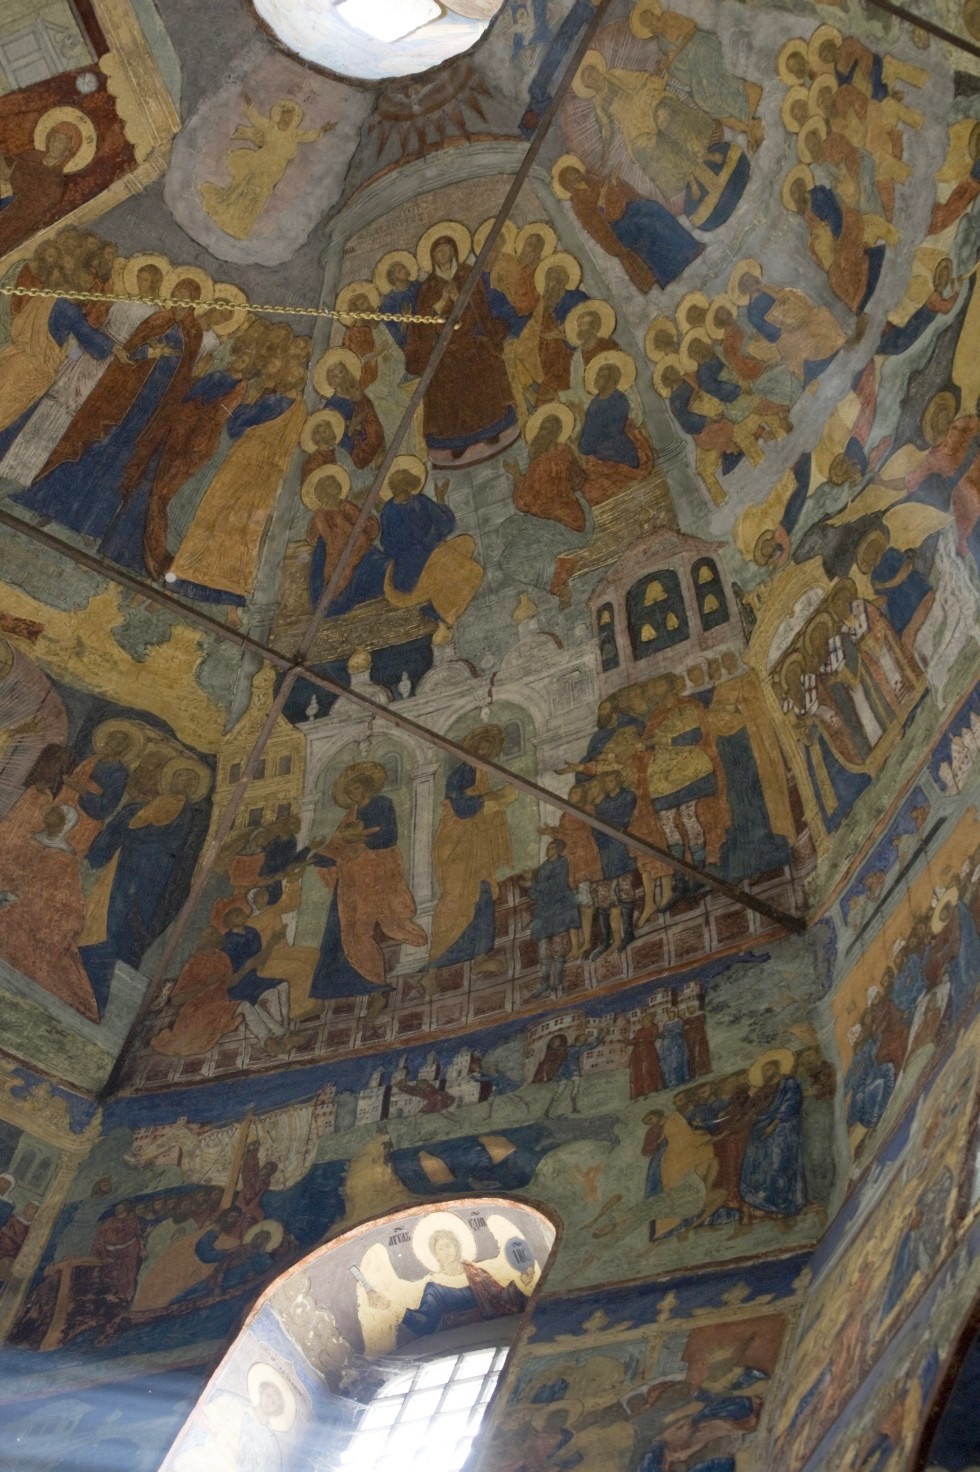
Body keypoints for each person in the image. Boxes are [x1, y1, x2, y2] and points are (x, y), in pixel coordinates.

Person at [309, 762, 426, 1006]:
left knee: (360, 928)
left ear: (367, 786)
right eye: (350, 791)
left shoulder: (382, 804)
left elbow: (388, 837)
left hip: (375, 875)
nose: (355, 793)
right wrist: (315, 856)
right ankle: (334, 986)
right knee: (340, 928)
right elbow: (337, 846)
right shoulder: (350, 815)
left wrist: (361, 838)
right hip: (350, 879)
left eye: (357, 787)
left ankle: (374, 985)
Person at [403, 229, 518, 462]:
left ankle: (492, 428)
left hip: (470, 339)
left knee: (484, 365)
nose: (443, 255)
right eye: (439, 252)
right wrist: (442, 301)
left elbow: (481, 308)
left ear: (454, 251)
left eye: (447, 250)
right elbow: (423, 324)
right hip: (444, 347)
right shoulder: (428, 287)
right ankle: (457, 440)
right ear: (433, 257)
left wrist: (458, 297)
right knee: (443, 379)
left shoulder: (467, 274)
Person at [424, 725, 517, 984]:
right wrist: (493, 797)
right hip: (457, 846)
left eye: (488, 750)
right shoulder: (461, 774)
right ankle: (432, 972)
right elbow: (461, 808)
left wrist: (496, 800)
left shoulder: (481, 774)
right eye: (480, 748)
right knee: (455, 902)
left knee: (483, 898)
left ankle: (479, 958)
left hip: (477, 851)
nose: (483, 753)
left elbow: (485, 811)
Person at [0, 803, 98, 1020]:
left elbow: (66, 898)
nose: (51, 823)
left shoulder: (66, 858)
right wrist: (6, 892)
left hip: (35, 912)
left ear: (65, 826)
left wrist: (23, 899)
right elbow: (9, 869)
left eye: (57, 821)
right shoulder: (33, 841)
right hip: (10, 898)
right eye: (51, 818)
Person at [553, 157, 702, 293]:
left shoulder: (592, 180)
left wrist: (612, 183)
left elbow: (611, 189)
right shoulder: (578, 203)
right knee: (647, 224)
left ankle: (690, 246)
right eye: (569, 175)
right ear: (568, 183)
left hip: (627, 209)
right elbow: (595, 223)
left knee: (653, 207)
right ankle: (671, 269)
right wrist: (603, 196)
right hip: (616, 228)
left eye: (573, 170)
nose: (574, 174)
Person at [200, 96, 334, 239]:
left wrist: (322, 130)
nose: (287, 119)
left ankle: (240, 225)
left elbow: (310, 136)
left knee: (259, 196)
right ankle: (227, 212)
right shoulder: (270, 127)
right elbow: (256, 119)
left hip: (273, 172)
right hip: (259, 164)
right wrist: (250, 105)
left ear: (294, 119)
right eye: (285, 116)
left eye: (290, 117)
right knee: (244, 188)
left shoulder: (294, 135)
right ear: (279, 115)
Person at [0, 109, 97, 257]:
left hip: (12, 220)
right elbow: (8, 165)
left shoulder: (56, 182)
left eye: (60, 141)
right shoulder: (30, 155)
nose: (54, 143)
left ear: (68, 150)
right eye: (53, 138)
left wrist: (11, 183)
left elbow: (33, 207)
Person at [739, 1052, 807, 1222]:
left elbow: (790, 1104)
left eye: (767, 1069)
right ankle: (766, 1202)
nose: (764, 1073)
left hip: (783, 1129)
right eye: (763, 1070)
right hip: (763, 1131)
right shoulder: (762, 1090)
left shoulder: (788, 1084)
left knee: (779, 1164)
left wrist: (773, 1125)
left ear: (776, 1069)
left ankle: (784, 1203)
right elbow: (752, 1109)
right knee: (758, 1165)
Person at [526, 838, 580, 999]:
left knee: (559, 947)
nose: (548, 850)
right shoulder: (543, 867)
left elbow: (557, 884)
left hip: (560, 908)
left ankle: (558, 981)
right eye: (548, 847)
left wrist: (533, 885)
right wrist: (531, 886)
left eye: (552, 848)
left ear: (558, 850)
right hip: (544, 911)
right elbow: (535, 893)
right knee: (543, 950)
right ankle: (544, 982)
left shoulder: (562, 863)